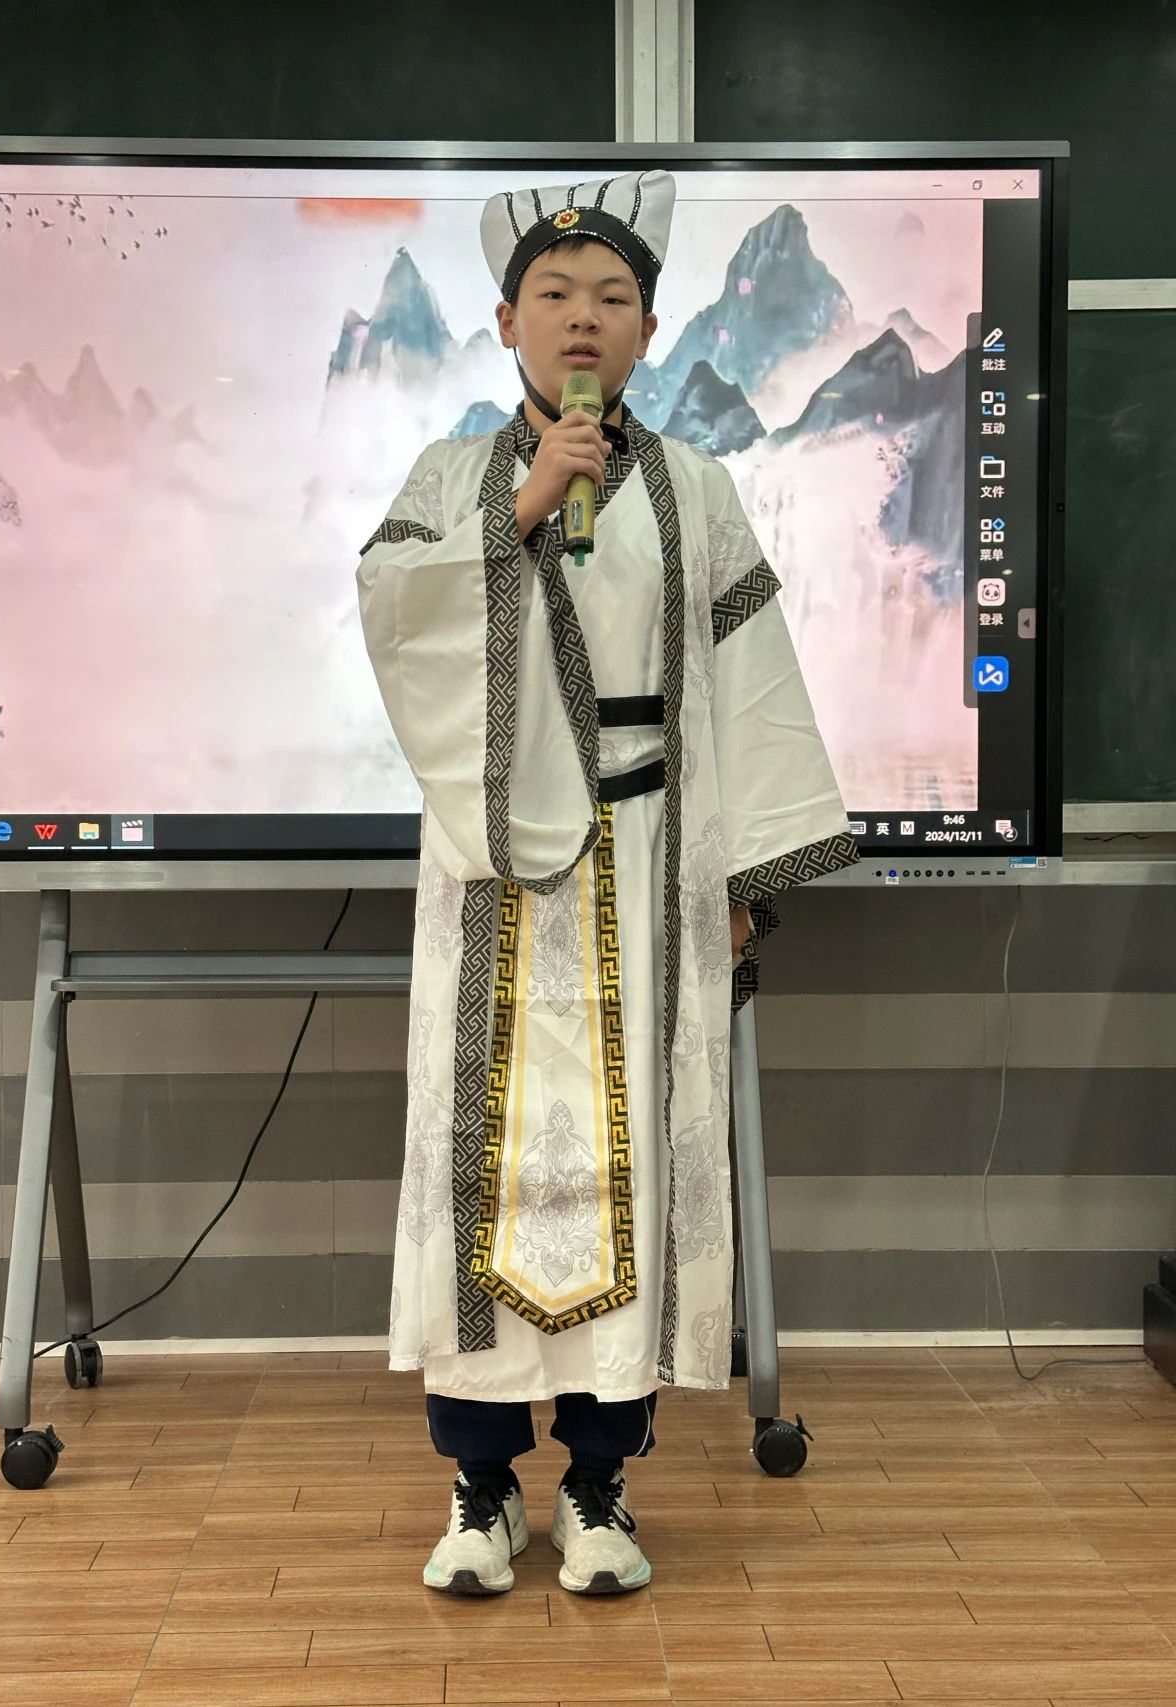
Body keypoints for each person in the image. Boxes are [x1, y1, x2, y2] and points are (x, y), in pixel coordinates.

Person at [356, 169, 857, 1597]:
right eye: (556, 295)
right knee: (487, 1167)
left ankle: (598, 1486)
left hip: (651, 865)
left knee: (632, 1164)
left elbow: (751, 688)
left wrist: (748, 873)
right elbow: (395, 619)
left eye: (614, 297)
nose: (584, 318)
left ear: (649, 326)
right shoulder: (448, 478)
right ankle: (478, 1489)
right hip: (495, 887)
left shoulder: (699, 490)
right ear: (506, 320)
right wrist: (521, 508)